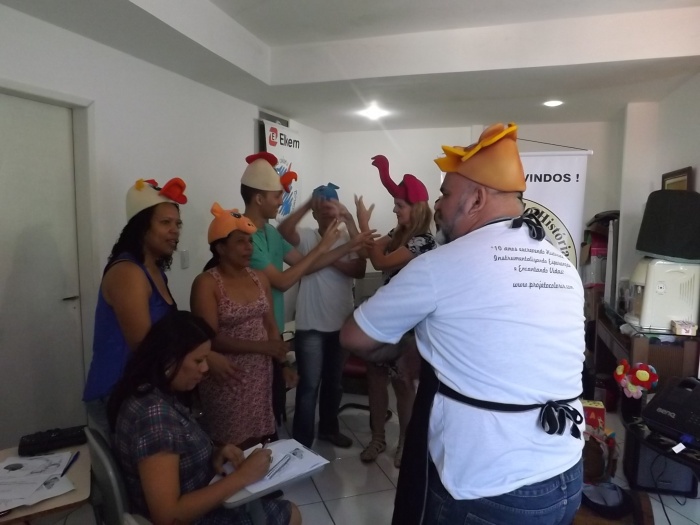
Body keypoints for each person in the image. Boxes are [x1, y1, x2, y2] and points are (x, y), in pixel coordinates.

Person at [340, 123, 585, 525]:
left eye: (445, 194)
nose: (438, 205)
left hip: (486, 485)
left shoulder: (441, 263)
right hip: (566, 473)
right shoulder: (560, 262)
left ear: (476, 199)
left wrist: (405, 347)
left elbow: (354, 336)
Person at [108, 310, 301, 525]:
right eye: (198, 360)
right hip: (196, 518)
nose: (205, 368)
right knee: (291, 514)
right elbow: (168, 516)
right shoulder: (154, 418)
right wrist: (243, 477)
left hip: (199, 501)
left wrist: (215, 452)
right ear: (168, 359)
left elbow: (177, 451)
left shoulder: (151, 393)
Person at [239, 152, 373, 425]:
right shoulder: (244, 235)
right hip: (253, 333)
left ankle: (305, 438)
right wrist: (325, 246)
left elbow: (305, 266)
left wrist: (345, 243)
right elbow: (282, 280)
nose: (281, 201)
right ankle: (295, 442)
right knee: (270, 400)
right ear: (259, 199)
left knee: (273, 400)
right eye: (277, 196)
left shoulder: (269, 233)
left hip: (273, 327)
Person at [83, 177, 187, 440]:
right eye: (165, 223)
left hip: (143, 389)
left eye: (177, 224)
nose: (175, 231)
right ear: (141, 227)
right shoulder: (128, 272)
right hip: (116, 393)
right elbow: (144, 346)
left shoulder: (154, 271)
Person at [354, 155, 436, 467]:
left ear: (416, 209)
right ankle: (377, 438)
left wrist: (363, 224)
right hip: (385, 321)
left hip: (408, 326)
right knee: (376, 379)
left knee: (403, 385)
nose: (394, 210)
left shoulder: (423, 242)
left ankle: (405, 443)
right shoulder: (399, 232)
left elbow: (379, 261)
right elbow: (375, 249)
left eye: (399, 206)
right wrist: (362, 231)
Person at [277, 183, 367, 448]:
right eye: (322, 210)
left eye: (332, 208)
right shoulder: (306, 236)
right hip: (311, 326)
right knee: (308, 386)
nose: (327, 213)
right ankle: (302, 443)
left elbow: (360, 269)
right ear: (315, 214)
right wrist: (307, 204)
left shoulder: (347, 238)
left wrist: (328, 255)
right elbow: (283, 230)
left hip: (341, 324)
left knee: (334, 383)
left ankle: (329, 429)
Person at [191, 203, 287, 449]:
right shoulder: (207, 283)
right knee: (231, 444)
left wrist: (280, 361)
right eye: (240, 242)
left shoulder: (260, 278)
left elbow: (270, 325)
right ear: (221, 248)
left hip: (261, 373)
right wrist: (263, 347)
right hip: (227, 374)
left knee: (261, 438)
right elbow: (210, 338)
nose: (248, 248)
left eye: (250, 241)